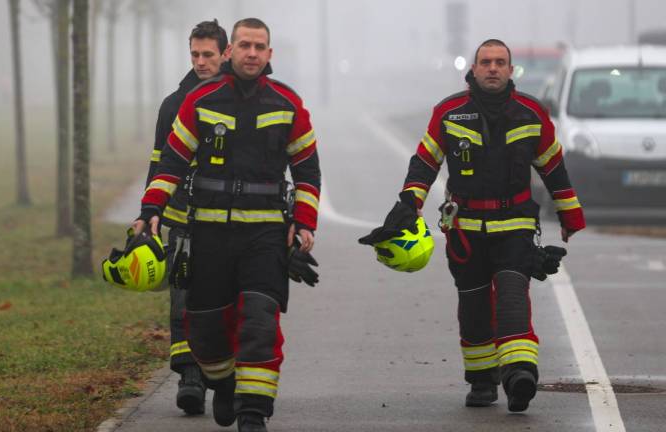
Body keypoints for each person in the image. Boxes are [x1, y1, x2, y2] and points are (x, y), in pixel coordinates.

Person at [359, 39, 586, 412]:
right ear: (474, 69)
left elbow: (553, 166)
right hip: (465, 228)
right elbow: (425, 162)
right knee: (474, 304)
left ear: (510, 70)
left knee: (513, 295)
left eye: (500, 62)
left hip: (514, 224)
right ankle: (482, 381)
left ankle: (520, 374)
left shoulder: (532, 113)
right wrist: (409, 203)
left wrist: (570, 214)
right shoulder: (449, 112)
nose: (492, 68)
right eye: (486, 62)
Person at [136, 17, 321, 432]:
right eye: (245, 46)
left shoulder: (288, 103)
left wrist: (304, 223)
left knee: (260, 319)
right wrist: (150, 210)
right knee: (204, 329)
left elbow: (307, 170)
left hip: (265, 236)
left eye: (259, 47)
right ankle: (222, 381)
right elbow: (172, 161)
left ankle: (253, 411)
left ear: (269, 53)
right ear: (230, 52)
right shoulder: (200, 100)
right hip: (209, 234)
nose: (252, 53)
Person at [142, 19, 228, 416]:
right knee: (183, 301)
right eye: (195, 54)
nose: (200, 62)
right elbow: (159, 163)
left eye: (208, 54)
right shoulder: (173, 105)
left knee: (226, 303)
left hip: (231, 223)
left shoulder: (241, 100)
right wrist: (149, 211)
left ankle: (223, 377)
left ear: (225, 53)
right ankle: (189, 377)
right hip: (183, 220)